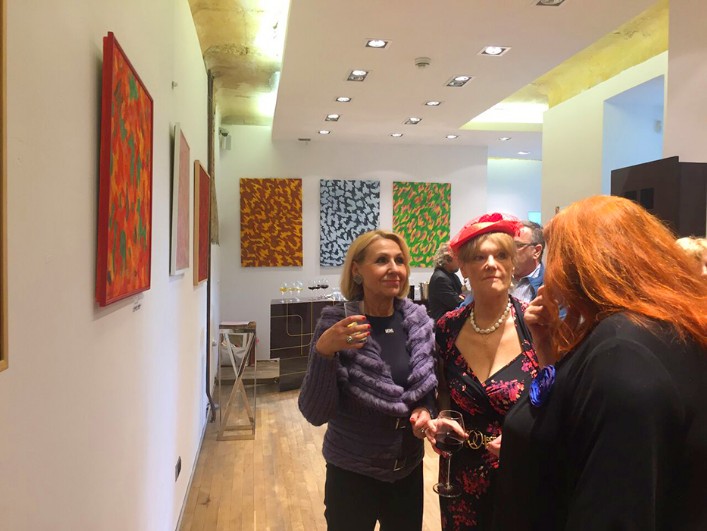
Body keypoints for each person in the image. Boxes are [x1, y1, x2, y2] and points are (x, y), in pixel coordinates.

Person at [494, 195, 707, 530]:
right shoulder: (661, 328)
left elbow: (614, 506)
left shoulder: (623, 351)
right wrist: (546, 348)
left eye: (558, 256)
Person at [298, 229, 438, 531]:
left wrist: (426, 410)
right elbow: (315, 412)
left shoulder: (417, 322)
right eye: (382, 260)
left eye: (400, 260)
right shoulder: (338, 325)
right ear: (356, 270)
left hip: (407, 471)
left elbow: (427, 385)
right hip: (351, 475)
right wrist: (324, 351)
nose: (394, 268)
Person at [425, 212, 539, 530]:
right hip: (460, 476)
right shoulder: (447, 329)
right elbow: (442, 390)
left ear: (513, 263)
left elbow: (558, 399)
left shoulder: (535, 325)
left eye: (501, 255)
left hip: (522, 472)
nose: (491, 264)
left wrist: (527, 436)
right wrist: (440, 418)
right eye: (479, 257)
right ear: (463, 267)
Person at [428, 242, 465, 322]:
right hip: (443, 325)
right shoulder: (440, 278)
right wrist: (461, 298)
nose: (460, 262)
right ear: (447, 260)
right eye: (458, 258)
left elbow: (463, 296)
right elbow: (458, 303)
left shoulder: (451, 276)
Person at [510, 220, 545, 302]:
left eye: (517, 245)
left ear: (536, 251)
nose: (509, 250)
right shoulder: (498, 278)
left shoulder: (552, 287)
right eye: (509, 245)